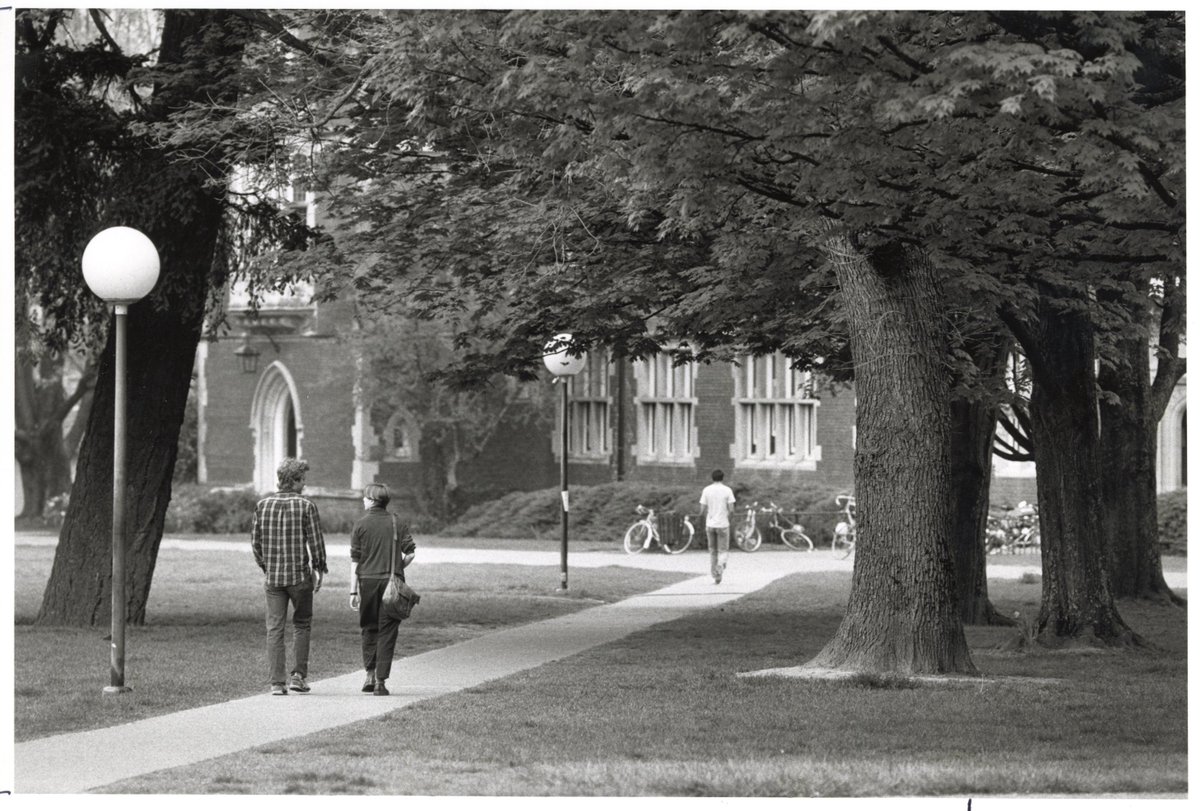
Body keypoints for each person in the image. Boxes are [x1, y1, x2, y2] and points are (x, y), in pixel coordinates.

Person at [251, 457, 327, 696]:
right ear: (294, 480)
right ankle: (298, 676)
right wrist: (319, 568)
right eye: (302, 479)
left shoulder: (262, 505)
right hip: (299, 577)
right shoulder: (306, 506)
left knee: (274, 628)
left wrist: (267, 566)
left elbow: (256, 543)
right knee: (302, 624)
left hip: (274, 579)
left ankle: (276, 683)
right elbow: (316, 542)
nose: (304, 484)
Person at [349, 482, 416, 697]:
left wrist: (353, 591)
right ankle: (380, 681)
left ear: (372, 499)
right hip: (391, 584)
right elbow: (411, 553)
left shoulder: (360, 525)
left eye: (365, 496)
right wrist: (398, 568)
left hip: (367, 582)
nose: (362, 499)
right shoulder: (397, 522)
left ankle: (368, 674)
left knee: (369, 627)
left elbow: (355, 562)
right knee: (387, 632)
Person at [698, 468, 736, 584]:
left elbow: (702, 509)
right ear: (722, 478)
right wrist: (728, 519)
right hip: (723, 524)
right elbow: (732, 510)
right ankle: (720, 566)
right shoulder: (727, 490)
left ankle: (716, 576)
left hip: (710, 524)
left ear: (712, 478)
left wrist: (705, 517)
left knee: (713, 550)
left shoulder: (706, 490)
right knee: (723, 549)